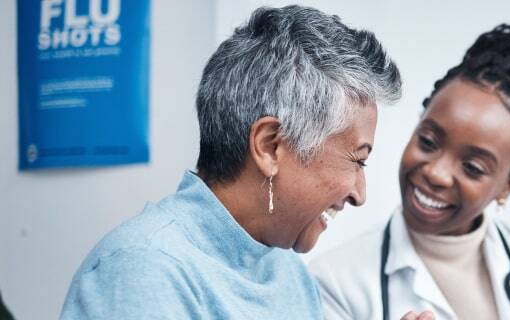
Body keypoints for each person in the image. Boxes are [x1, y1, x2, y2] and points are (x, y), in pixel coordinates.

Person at [59, 5, 422, 319]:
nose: (360, 194)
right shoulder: (142, 269)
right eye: (358, 161)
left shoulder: (289, 273)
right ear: (269, 146)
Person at [311, 24, 510, 320]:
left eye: (473, 167)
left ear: (507, 185)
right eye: (428, 141)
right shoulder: (335, 282)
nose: (436, 173)